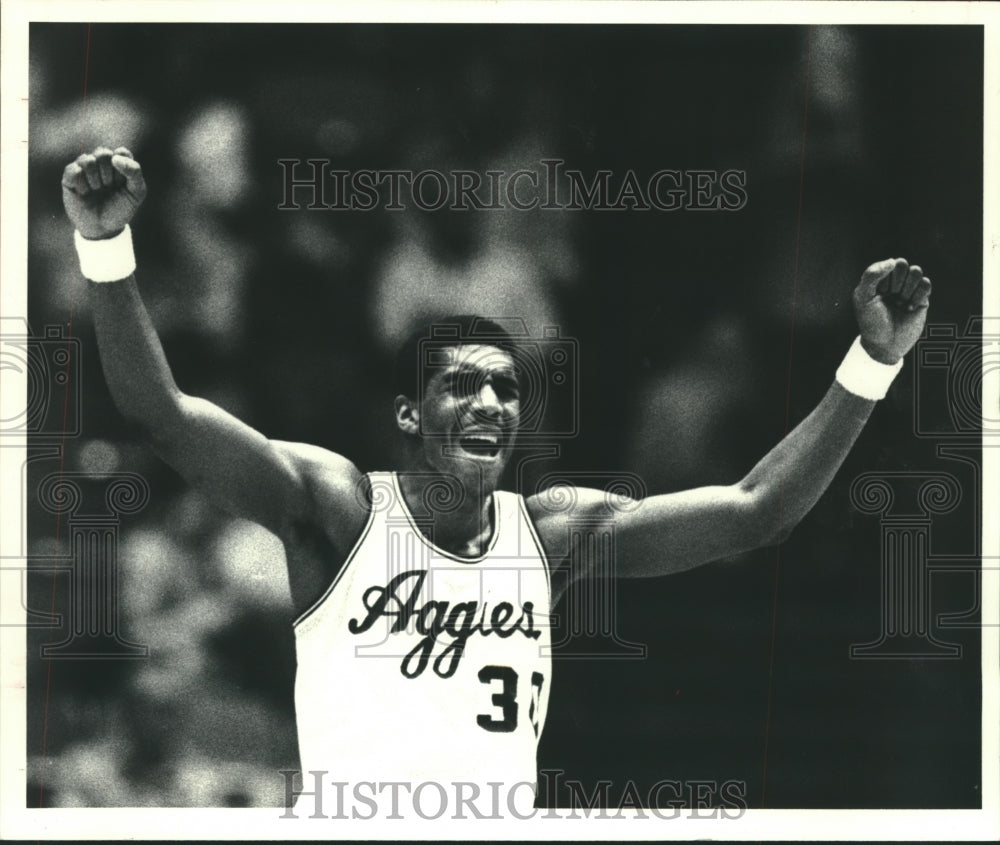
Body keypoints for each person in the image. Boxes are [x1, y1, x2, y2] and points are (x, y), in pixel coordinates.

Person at [61, 145, 932, 813]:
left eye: (506, 387)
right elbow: (162, 413)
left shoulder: (553, 534)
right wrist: (105, 248)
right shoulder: (339, 507)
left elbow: (756, 509)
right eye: (461, 384)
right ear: (407, 413)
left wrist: (870, 364)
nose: (489, 402)